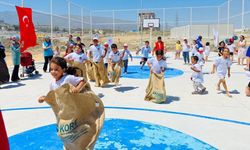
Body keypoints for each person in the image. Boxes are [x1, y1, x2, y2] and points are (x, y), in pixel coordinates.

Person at [38, 57, 104, 149]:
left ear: (63, 69)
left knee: (78, 132)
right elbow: (53, 96)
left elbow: (83, 80)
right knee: (64, 134)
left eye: (56, 69)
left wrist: (77, 89)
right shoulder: (52, 83)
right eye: (51, 69)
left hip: (75, 110)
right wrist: (44, 98)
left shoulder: (67, 78)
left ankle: (84, 146)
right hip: (64, 112)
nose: (53, 71)